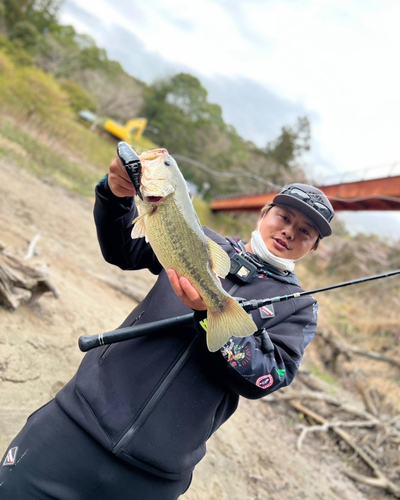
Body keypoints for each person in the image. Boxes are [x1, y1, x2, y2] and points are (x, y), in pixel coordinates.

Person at [0, 153, 334, 499]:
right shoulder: (199, 237)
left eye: (305, 231)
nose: (289, 232)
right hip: (74, 424)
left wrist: (209, 315)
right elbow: (123, 249)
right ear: (265, 213)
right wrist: (114, 195)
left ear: (313, 246)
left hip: (153, 477)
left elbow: (267, 378)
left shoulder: (300, 308)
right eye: (284, 217)